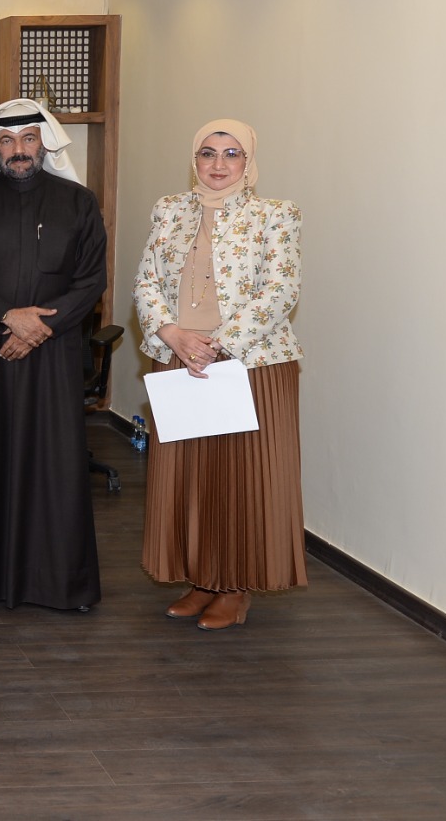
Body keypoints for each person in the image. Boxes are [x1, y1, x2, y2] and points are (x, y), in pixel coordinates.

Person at [133, 119, 304, 631]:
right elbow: (146, 281)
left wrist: (217, 345)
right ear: (195, 159)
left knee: (241, 481)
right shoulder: (169, 210)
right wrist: (171, 334)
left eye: (232, 154)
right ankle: (202, 580)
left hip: (250, 366)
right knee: (190, 479)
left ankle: (235, 588)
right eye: (208, 153)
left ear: (248, 162)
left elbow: (280, 289)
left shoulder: (275, 214)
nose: (218, 164)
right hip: (180, 359)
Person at [0, 98, 107, 613]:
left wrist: (39, 328)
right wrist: (6, 317)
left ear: (44, 144)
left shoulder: (78, 202)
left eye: (29, 139)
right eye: (8, 140)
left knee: (55, 462)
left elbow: (92, 280)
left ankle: (59, 586)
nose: (19, 150)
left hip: (55, 355)